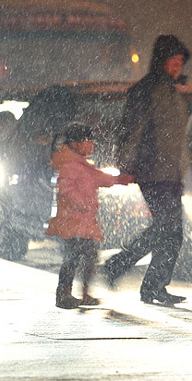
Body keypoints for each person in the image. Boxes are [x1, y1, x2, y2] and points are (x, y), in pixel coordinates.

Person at [103, 35, 192, 305]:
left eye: (180, 62)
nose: (177, 66)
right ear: (161, 60)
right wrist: (126, 165)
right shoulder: (147, 90)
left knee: (171, 232)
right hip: (152, 169)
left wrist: (182, 168)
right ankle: (122, 267)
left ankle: (150, 285)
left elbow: (179, 135)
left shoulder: (172, 91)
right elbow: (133, 129)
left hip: (171, 172)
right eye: (173, 60)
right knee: (168, 228)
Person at [47, 122, 132, 309]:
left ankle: (83, 293)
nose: (91, 144)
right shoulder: (70, 165)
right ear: (77, 143)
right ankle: (64, 294)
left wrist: (118, 180)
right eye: (88, 140)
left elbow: (99, 178)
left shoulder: (82, 165)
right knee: (72, 258)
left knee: (89, 257)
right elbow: (65, 190)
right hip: (72, 222)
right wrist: (83, 203)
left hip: (84, 222)